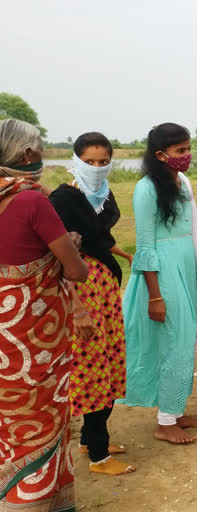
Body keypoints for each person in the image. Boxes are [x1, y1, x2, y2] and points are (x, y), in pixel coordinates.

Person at [0, 118, 88, 511]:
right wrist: (70, 243)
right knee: (40, 426)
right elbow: (76, 270)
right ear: (27, 154)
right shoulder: (31, 201)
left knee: (8, 428)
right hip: (32, 343)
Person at [49, 132, 136, 475]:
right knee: (91, 369)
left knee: (111, 360)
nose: (97, 168)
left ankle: (89, 439)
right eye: (89, 161)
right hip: (82, 292)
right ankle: (99, 456)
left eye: (103, 162)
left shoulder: (103, 195)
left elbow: (101, 239)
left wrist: (126, 254)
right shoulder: (63, 199)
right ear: (76, 160)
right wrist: (79, 309)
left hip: (106, 288)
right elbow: (60, 255)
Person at [119, 123, 197, 444]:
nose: (187, 156)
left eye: (188, 149)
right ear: (160, 155)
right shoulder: (147, 188)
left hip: (185, 268)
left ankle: (175, 410)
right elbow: (145, 245)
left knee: (184, 341)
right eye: (180, 151)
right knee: (173, 342)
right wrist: (154, 296)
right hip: (163, 273)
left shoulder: (183, 181)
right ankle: (165, 422)